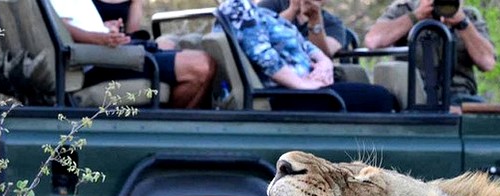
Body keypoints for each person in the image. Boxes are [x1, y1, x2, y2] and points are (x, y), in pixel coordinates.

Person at [218, 0, 397, 112]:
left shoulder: (259, 13)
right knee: (381, 97)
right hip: (288, 93)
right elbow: (264, 56)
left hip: (308, 87)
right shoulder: (238, 7)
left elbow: (302, 42)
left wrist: (324, 61)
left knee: (375, 94)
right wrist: (302, 85)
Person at [49, 0, 216, 109]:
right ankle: (173, 136)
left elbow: (72, 24)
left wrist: (105, 28)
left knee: (176, 47)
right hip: (96, 60)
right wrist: (99, 38)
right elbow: (58, 27)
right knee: (201, 66)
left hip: (108, 51)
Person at [363, 0, 495, 103]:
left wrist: (462, 24)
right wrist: (416, 16)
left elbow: (488, 63)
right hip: (413, 100)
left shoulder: (469, 16)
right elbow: (373, 41)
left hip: (461, 98)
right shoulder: (403, 10)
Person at [256, 0, 346, 57]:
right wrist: (292, 10)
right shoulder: (269, 5)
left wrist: (315, 20)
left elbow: (324, 53)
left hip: (313, 76)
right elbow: (258, 35)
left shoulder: (334, 23)